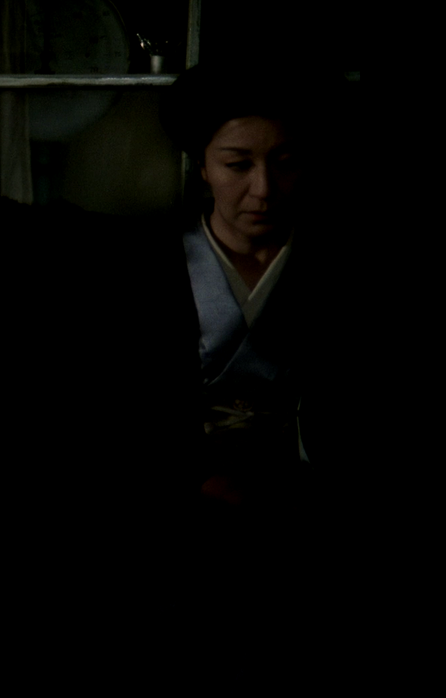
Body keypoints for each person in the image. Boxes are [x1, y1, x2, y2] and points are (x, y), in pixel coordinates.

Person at [147, 60, 350, 558]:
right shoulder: (147, 267)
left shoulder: (340, 267)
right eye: (238, 165)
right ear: (203, 166)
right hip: (179, 502)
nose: (263, 189)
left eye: (285, 162)